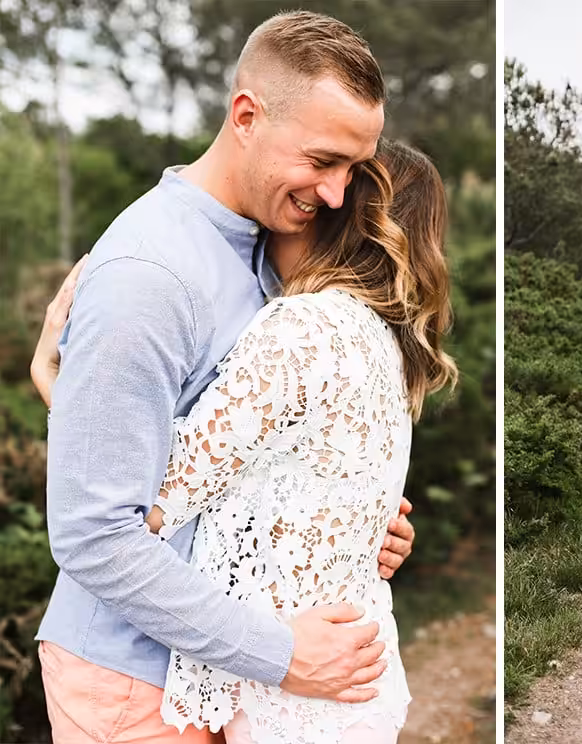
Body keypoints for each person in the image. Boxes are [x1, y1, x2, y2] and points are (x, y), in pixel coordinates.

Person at [29, 11, 419, 743]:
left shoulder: (271, 249)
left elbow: (242, 459)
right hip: (132, 682)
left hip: (218, 679)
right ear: (246, 115)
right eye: (322, 161)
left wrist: (354, 522)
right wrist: (281, 654)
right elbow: (93, 531)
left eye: (353, 171)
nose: (337, 194)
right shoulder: (149, 274)